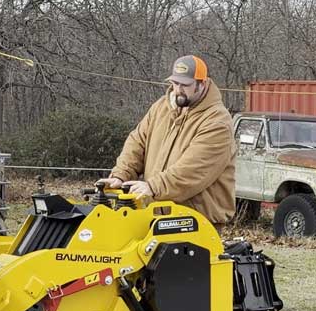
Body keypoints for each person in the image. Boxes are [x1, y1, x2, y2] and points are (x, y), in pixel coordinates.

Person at [101, 55, 236, 225]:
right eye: (175, 83)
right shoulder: (161, 108)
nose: (178, 89)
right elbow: (137, 143)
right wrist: (120, 176)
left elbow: (194, 168)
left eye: (185, 85)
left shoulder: (217, 121)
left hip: (196, 221)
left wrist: (153, 187)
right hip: (156, 215)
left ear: (201, 84)